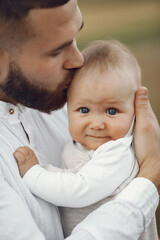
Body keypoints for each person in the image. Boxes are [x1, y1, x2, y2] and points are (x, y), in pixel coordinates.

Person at [0, 0, 159, 239]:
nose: (78, 60)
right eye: (56, 51)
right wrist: (150, 177)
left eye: (75, 37)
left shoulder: (58, 97)